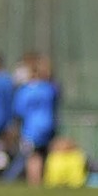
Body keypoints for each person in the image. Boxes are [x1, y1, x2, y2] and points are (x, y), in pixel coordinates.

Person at [11, 54, 60, 185]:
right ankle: (43, 179)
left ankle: (35, 182)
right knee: (44, 153)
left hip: (31, 127)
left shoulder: (25, 91)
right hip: (48, 123)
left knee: (33, 156)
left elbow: (19, 110)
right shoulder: (48, 88)